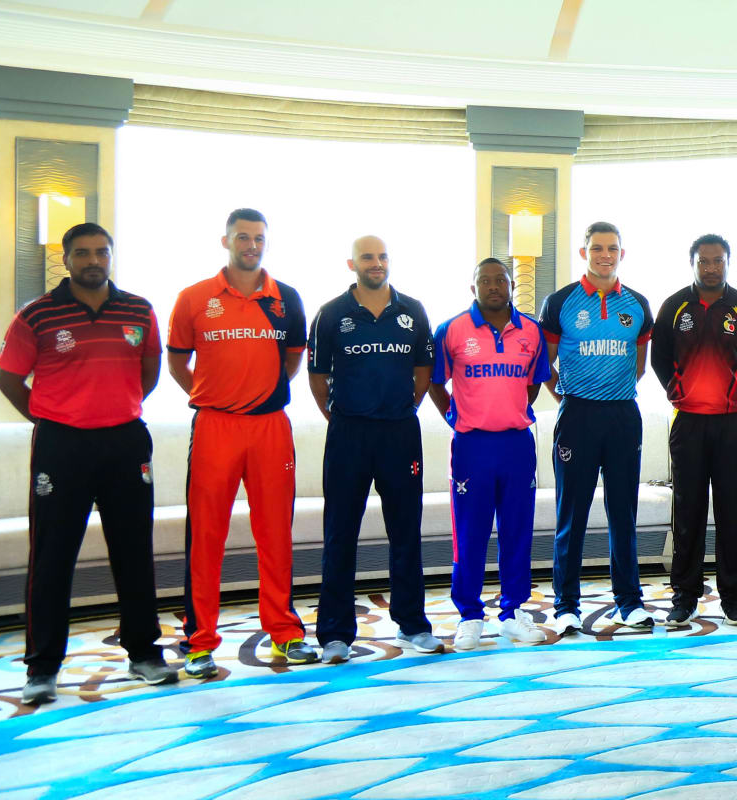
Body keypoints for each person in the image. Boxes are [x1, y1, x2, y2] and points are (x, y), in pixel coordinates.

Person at [0, 223, 175, 704]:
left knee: (134, 552)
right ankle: (42, 668)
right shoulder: (36, 315)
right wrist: (52, 417)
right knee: (52, 557)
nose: (93, 260)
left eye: (101, 252)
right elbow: (9, 380)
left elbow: (150, 369)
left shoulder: (138, 309)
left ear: (111, 256)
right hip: (61, 447)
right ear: (67, 259)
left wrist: (115, 407)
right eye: (82, 253)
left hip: (125, 443)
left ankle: (144, 653)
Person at [167, 208, 313, 677]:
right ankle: (199, 641)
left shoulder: (285, 299)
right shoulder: (194, 298)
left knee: (275, 534)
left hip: (270, 427)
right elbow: (176, 362)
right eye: (243, 237)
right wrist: (214, 397)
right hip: (215, 427)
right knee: (206, 536)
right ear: (225, 240)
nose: (251, 245)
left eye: (259, 238)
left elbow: (290, 361)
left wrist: (260, 392)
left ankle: (285, 633)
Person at [307, 236, 441, 663]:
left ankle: (413, 624)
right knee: (340, 533)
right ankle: (334, 634)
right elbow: (317, 376)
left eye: (383, 256)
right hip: (349, 434)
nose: (377, 263)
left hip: (400, 433)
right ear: (352, 263)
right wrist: (340, 417)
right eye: (368, 257)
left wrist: (404, 408)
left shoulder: (413, 310)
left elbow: (423, 371)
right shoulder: (331, 315)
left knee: (405, 531)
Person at [430, 258, 552, 650]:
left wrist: (510, 410)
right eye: (485, 280)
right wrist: (458, 416)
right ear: (474, 288)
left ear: (512, 285)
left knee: (517, 531)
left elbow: (533, 385)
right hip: (472, 446)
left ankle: (513, 613)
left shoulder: (531, 331)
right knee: (470, 533)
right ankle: (469, 615)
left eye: (501, 280)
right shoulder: (451, 331)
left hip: (517, 444)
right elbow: (434, 382)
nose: (494, 286)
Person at [539, 222, 654, 634]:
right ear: (584, 251)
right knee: (572, 514)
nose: (604, 255)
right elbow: (544, 365)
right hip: (577, 417)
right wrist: (570, 398)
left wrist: (611, 393)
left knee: (623, 513)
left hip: (623, 416)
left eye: (612, 248)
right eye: (597, 248)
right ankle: (566, 604)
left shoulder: (638, 304)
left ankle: (629, 601)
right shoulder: (560, 302)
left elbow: (639, 366)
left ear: (622, 254)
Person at [652, 233, 737, 627]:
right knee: (688, 511)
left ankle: (733, 598)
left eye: (718, 261)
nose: (711, 267)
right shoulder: (674, 306)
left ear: (728, 263)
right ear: (693, 263)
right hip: (689, 423)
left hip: (732, 425)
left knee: (734, 513)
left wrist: (730, 392)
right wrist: (680, 390)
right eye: (704, 261)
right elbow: (660, 358)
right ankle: (685, 595)